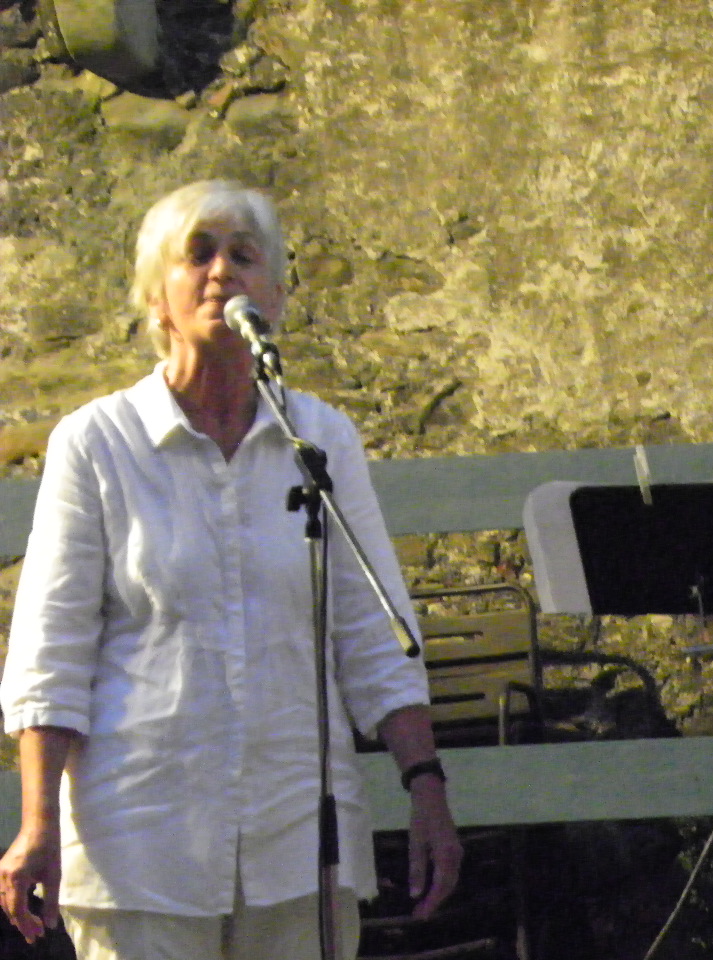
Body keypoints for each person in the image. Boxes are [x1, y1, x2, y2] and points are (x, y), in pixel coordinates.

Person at [0, 180, 463, 960]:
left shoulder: (322, 440)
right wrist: (37, 823)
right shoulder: (96, 443)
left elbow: (373, 633)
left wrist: (427, 787)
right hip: (140, 845)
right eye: (198, 254)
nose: (222, 272)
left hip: (300, 840)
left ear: (275, 297)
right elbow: (53, 650)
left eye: (244, 256)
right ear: (157, 297)